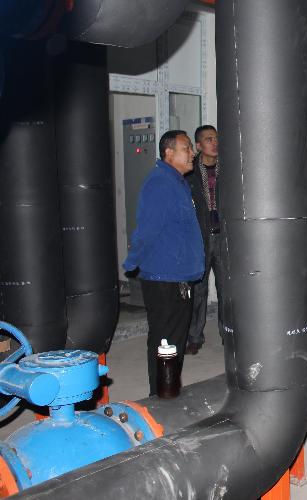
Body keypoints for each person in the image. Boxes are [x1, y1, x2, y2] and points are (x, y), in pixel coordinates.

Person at [123, 130, 204, 396]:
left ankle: (169, 390)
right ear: (169, 153)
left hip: (179, 277)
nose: (192, 153)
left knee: (176, 341)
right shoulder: (160, 184)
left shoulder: (177, 182)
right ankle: (158, 395)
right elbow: (147, 230)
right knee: (164, 342)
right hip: (164, 280)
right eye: (186, 148)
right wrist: (132, 262)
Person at [185, 125, 223, 355]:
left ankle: (228, 332)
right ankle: (194, 336)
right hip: (200, 237)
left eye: (216, 138)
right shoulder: (189, 173)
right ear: (198, 146)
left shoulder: (227, 168)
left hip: (223, 236)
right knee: (198, 290)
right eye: (209, 139)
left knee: (226, 288)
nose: (215, 143)